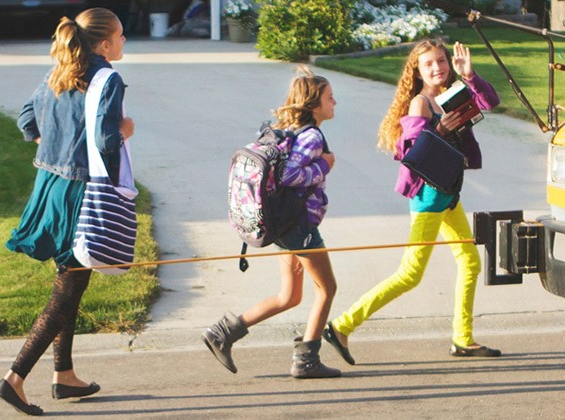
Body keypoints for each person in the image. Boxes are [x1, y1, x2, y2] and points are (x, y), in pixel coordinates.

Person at [322, 39, 501, 365]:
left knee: (469, 261)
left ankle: (462, 338)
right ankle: (342, 325)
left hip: (448, 193)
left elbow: (489, 103)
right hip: (429, 196)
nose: (438, 68)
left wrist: (470, 75)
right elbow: (413, 154)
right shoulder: (421, 104)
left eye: (442, 61)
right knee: (410, 274)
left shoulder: (450, 94)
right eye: (429, 64)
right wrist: (442, 131)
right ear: (417, 71)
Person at [0, 8, 133, 416]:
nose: (125, 42)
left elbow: (26, 122)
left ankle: (64, 374)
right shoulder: (106, 78)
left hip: (50, 187)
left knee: (72, 280)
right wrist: (126, 132)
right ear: (105, 44)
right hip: (83, 192)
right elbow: (107, 139)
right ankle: (14, 378)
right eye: (122, 36)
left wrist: (55, 144)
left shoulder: (60, 70)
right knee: (69, 288)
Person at [202, 65, 342, 379]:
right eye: (330, 98)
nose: (335, 103)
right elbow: (290, 174)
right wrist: (323, 165)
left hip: (284, 224)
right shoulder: (312, 136)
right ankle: (307, 360)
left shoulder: (289, 130)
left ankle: (221, 333)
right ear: (313, 105)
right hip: (299, 227)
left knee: (289, 296)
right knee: (327, 289)